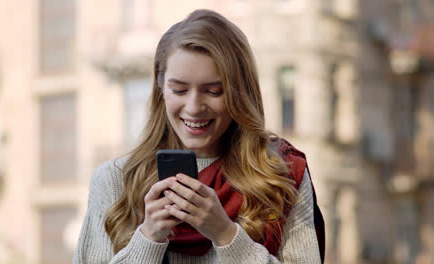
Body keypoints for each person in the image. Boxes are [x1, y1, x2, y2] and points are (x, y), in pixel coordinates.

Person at [73, 9, 325, 264]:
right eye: (179, 90)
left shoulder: (281, 175)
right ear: (161, 89)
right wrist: (149, 237)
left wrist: (225, 233)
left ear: (240, 93)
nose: (194, 107)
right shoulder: (116, 180)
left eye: (214, 91)